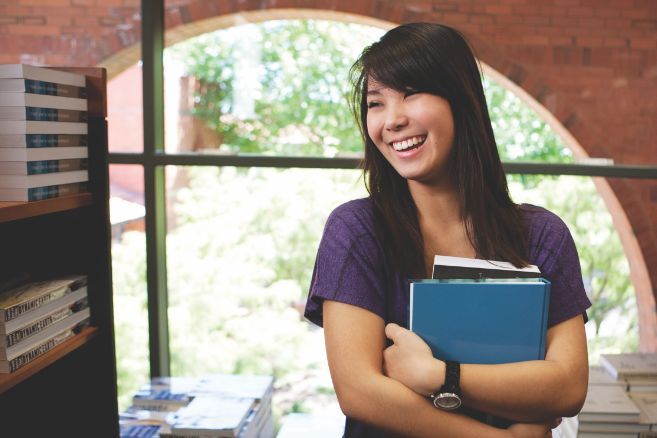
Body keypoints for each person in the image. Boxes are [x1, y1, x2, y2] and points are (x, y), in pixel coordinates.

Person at [304, 22, 591, 438]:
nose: (392, 120)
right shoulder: (357, 231)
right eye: (375, 103)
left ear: (462, 99)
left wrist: (439, 375)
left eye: (410, 93)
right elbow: (360, 392)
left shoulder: (542, 235)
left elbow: (567, 387)